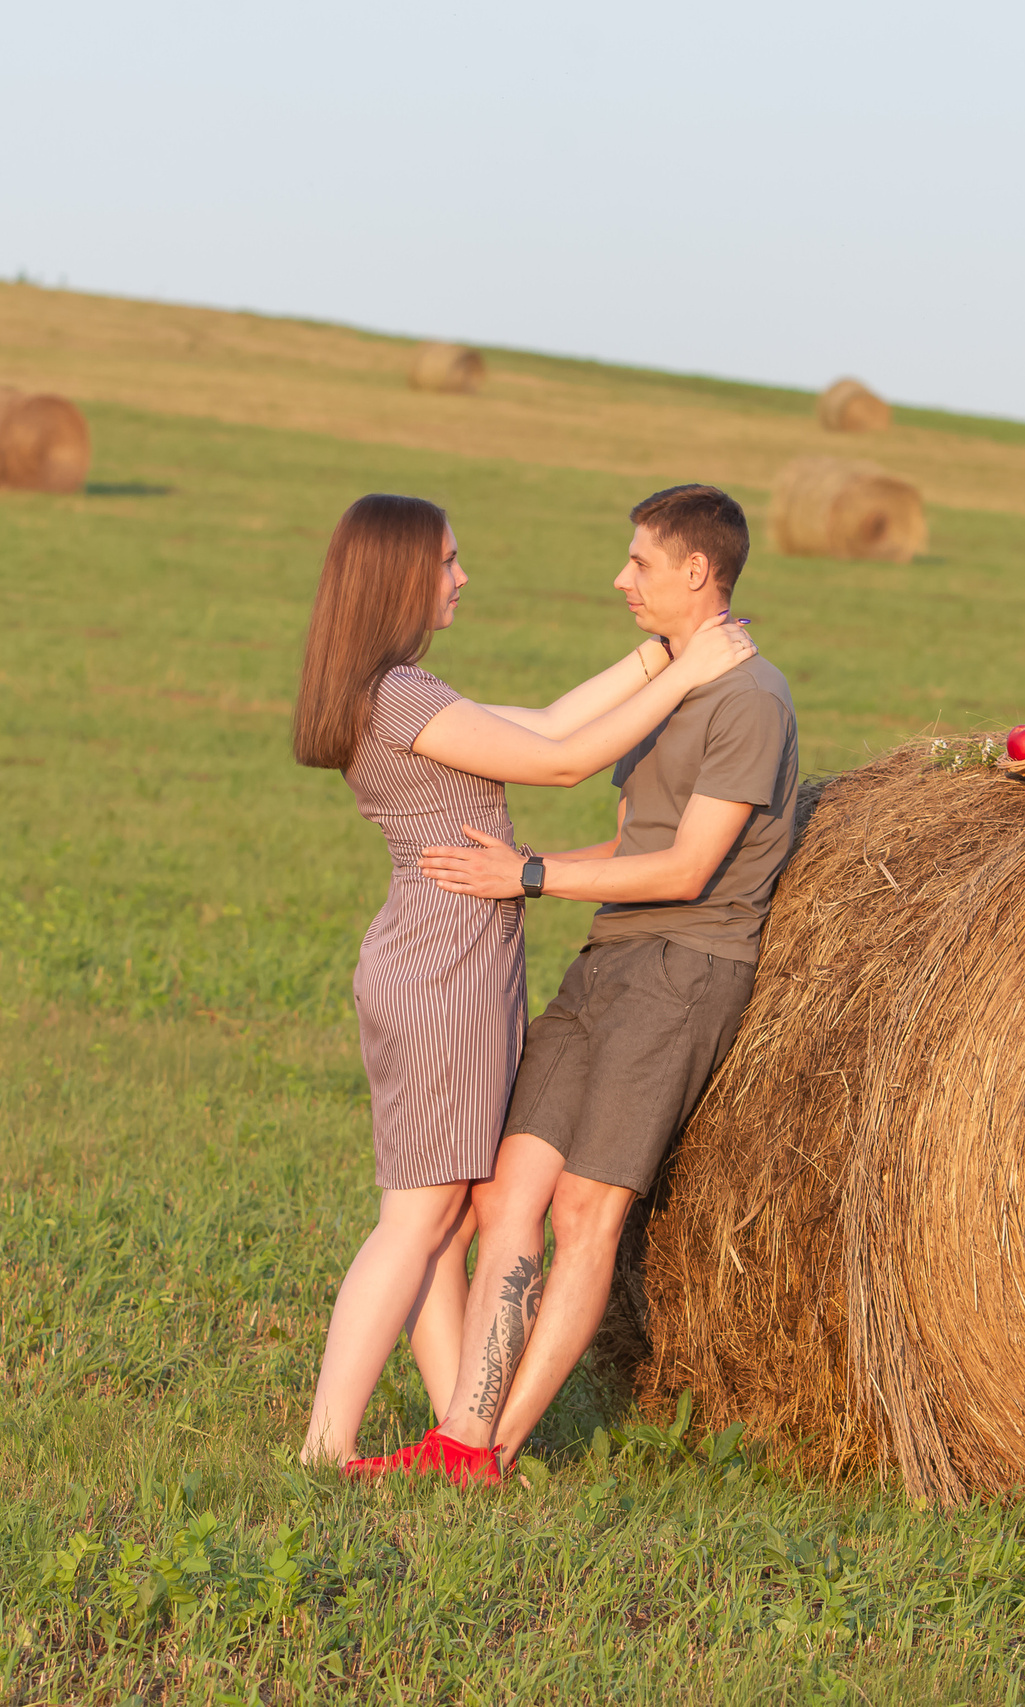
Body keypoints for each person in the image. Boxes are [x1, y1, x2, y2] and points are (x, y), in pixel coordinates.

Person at [292, 492, 759, 1471]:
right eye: (449, 561)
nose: (461, 577)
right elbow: (561, 761)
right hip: (441, 970)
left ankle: (461, 1435)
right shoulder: (403, 695)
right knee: (417, 1219)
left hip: (455, 961)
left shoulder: (395, 692)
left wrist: (662, 658)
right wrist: (689, 675)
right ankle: (325, 1447)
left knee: (449, 1213)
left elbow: (548, 719)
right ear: (400, 576)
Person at [410, 483, 799, 1478]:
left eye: (638, 562)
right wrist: (520, 873)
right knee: (507, 1199)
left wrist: (530, 875)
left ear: (695, 572)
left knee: (588, 1211)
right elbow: (631, 839)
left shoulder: (753, 701)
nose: (620, 578)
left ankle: (489, 1449)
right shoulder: (669, 690)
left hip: (683, 971)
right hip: (608, 959)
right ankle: (459, 1435)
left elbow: (686, 870)